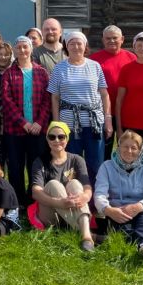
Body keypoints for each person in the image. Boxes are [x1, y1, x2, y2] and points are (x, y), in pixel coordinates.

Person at [48, 32, 111, 183]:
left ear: (85, 46)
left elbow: (104, 94)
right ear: (66, 47)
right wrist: (57, 124)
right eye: (72, 44)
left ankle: (96, 198)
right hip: (69, 125)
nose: (76, 47)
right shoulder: (59, 68)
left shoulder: (95, 66)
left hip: (94, 124)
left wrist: (108, 119)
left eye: (79, 43)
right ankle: (73, 196)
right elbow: (55, 97)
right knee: (71, 163)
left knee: (95, 162)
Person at [94, 131, 143, 263]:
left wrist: (139, 206)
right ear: (118, 147)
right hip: (116, 210)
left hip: (139, 210)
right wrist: (108, 210)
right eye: (125, 146)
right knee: (124, 230)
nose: (129, 151)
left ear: (140, 151)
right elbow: (99, 194)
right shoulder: (107, 166)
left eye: (134, 148)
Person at [30, 122, 95, 252]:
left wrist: (84, 197)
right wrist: (60, 202)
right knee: (54, 184)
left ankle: (86, 237)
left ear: (67, 139)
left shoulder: (77, 159)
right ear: (47, 139)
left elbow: (87, 187)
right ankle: (85, 231)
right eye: (52, 137)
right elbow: (36, 193)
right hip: (51, 214)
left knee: (75, 183)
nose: (57, 140)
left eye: (61, 137)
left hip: (74, 208)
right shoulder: (40, 161)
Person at [2, 36, 51, 205]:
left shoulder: (42, 72)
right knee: (15, 167)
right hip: (15, 129)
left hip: (38, 129)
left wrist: (38, 123)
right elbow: (7, 101)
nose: (22, 50)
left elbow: (47, 99)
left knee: (35, 166)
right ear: (14, 51)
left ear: (31, 49)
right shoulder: (9, 73)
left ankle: (34, 200)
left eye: (25, 47)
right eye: (18, 48)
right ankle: (17, 202)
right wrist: (24, 123)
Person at [90, 25, 136, 165]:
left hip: (127, 111)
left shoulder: (131, 58)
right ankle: (104, 178)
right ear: (103, 40)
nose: (111, 41)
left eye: (115, 38)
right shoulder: (94, 60)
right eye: (108, 38)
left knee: (129, 147)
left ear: (122, 39)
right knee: (104, 149)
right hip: (103, 111)